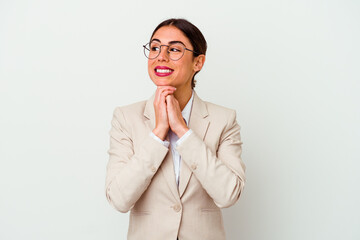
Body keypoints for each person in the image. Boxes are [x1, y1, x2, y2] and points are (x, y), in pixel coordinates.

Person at [105, 18, 246, 240]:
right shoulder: (126, 118)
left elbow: (228, 195)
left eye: (174, 49)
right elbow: (119, 199)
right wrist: (158, 132)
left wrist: (183, 132)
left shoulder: (224, 120)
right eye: (154, 48)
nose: (161, 56)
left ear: (198, 63)